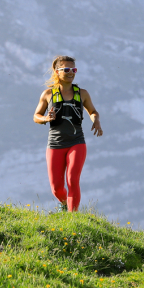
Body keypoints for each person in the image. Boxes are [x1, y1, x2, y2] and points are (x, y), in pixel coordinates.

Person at [33, 55, 103, 212]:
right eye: (66, 69)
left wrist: (96, 120)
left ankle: (73, 218)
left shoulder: (82, 93)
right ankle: (64, 204)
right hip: (55, 144)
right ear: (57, 71)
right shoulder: (48, 94)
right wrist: (45, 118)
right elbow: (36, 116)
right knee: (57, 188)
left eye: (74, 69)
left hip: (76, 142)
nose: (71, 72)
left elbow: (92, 111)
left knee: (72, 179)